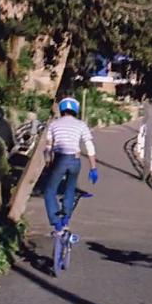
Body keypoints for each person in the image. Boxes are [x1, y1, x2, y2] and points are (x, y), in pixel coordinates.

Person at [42, 97, 98, 234]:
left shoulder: (54, 125)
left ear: (61, 110)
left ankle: (57, 224)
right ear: (76, 110)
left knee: (50, 191)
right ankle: (66, 219)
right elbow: (90, 146)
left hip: (60, 159)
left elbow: (48, 147)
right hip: (75, 160)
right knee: (70, 189)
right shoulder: (81, 125)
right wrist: (93, 168)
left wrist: (48, 161)